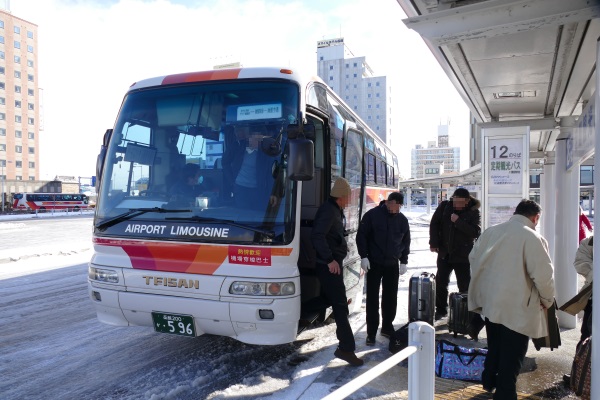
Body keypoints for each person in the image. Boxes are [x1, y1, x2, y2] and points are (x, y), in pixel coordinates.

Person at [468, 199, 555, 399]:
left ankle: (489, 381)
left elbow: (473, 258)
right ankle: (505, 394)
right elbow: (543, 277)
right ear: (536, 217)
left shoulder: (491, 232)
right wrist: (547, 300)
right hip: (518, 308)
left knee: (495, 346)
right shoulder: (533, 237)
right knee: (513, 355)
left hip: (491, 303)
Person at [311, 177, 363, 366]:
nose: (349, 199)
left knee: (331, 301)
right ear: (341, 196)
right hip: (329, 265)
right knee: (341, 306)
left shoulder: (334, 209)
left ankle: (299, 314)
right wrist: (330, 260)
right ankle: (346, 349)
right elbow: (317, 236)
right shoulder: (329, 211)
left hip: (331, 263)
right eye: (348, 196)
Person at [357, 192, 411, 345]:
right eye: (394, 205)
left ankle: (387, 326)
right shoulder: (372, 216)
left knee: (390, 297)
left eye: (399, 207)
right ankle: (371, 332)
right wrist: (364, 256)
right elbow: (362, 236)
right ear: (388, 202)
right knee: (372, 298)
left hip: (392, 264)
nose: (396, 209)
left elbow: (406, 241)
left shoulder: (402, 220)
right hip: (374, 263)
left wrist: (403, 261)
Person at [429, 188, 481, 321]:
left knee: (464, 284)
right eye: (454, 201)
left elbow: (475, 232)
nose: (456, 204)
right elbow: (434, 223)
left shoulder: (473, 212)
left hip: (462, 254)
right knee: (441, 282)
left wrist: (458, 221)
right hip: (444, 252)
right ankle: (441, 310)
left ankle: (465, 314)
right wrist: (434, 242)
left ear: (467, 201)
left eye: (459, 202)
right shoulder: (445, 206)